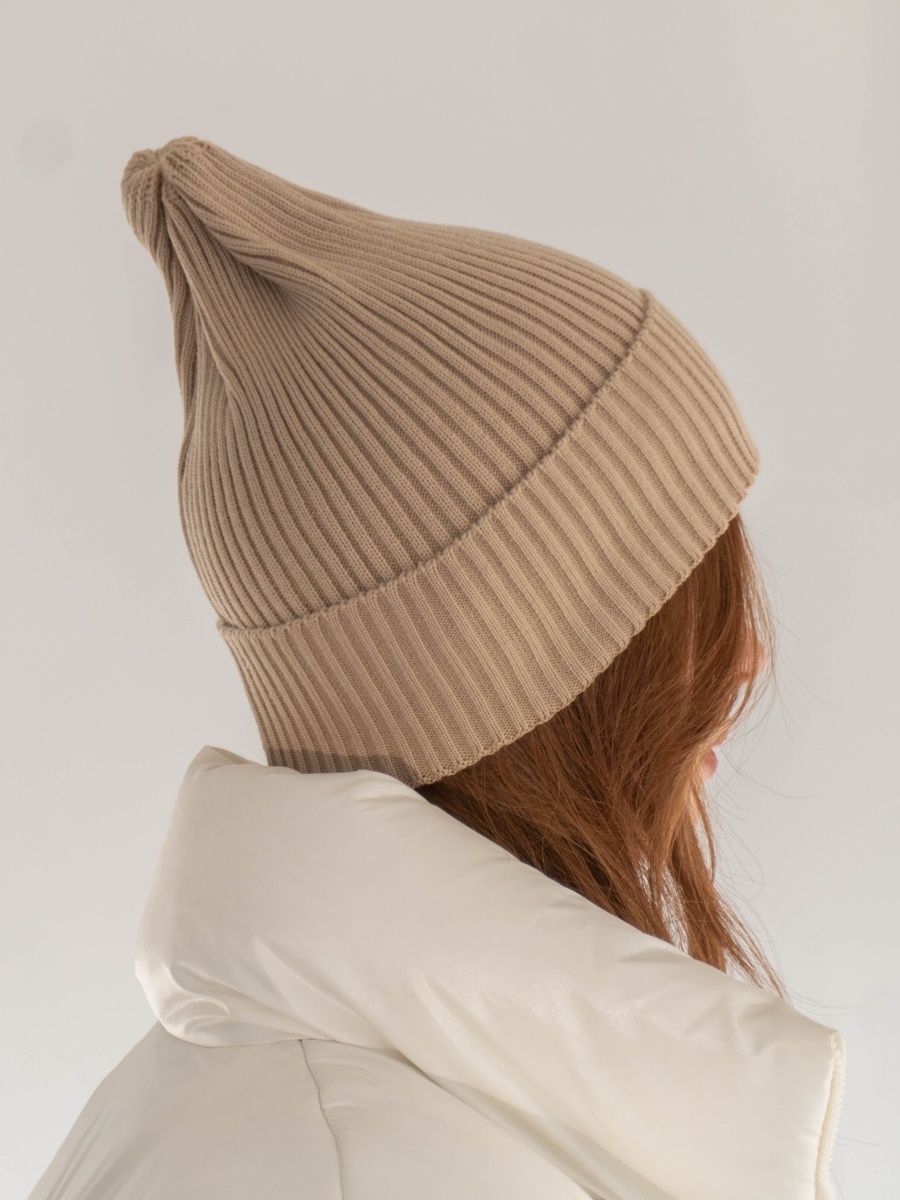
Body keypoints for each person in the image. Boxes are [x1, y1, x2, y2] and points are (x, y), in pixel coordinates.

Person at [26, 135, 846, 1200]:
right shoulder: (360, 1168)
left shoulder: (351, 1123)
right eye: (683, 598)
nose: (745, 654)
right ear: (531, 675)